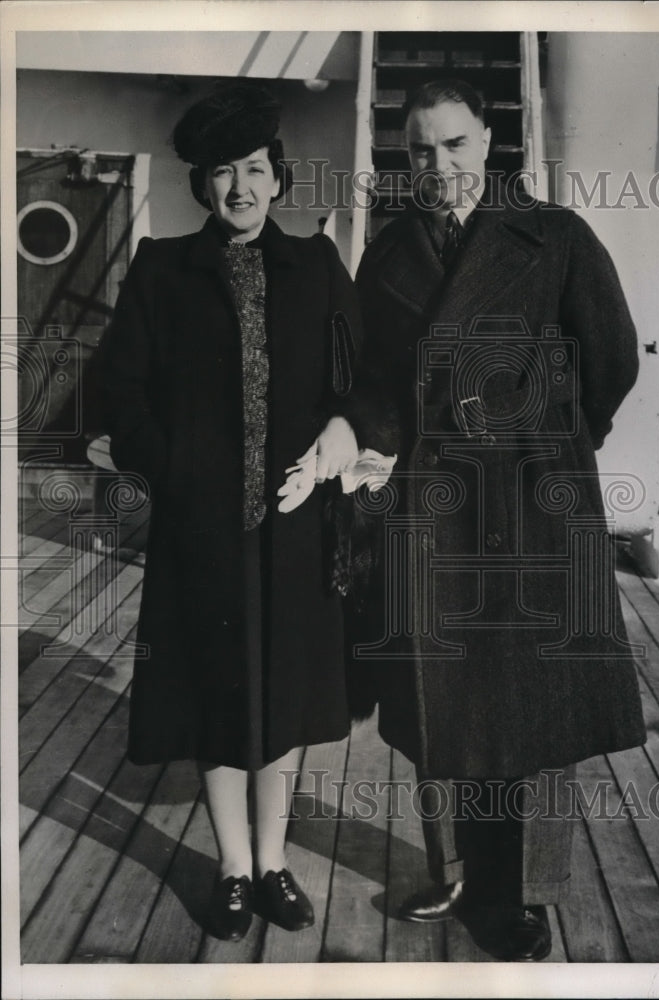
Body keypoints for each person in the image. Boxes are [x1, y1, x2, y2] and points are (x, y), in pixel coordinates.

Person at [346, 79, 647, 960]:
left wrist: (547, 445)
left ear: (491, 141)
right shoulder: (388, 251)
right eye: (422, 152)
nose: (440, 167)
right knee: (437, 706)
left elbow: (612, 357)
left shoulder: (554, 237)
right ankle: (458, 873)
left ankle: (518, 892)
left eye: (457, 145)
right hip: (432, 509)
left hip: (527, 504)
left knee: (525, 710)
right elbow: (373, 381)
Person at [101, 82, 360, 941]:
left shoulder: (318, 267)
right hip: (201, 532)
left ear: (279, 181)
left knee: (280, 697)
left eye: (255, 169)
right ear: (202, 188)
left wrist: (341, 424)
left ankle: (276, 859)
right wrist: (170, 468)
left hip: (293, 528)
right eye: (222, 173)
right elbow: (117, 387)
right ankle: (236, 871)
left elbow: (360, 378)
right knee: (219, 698)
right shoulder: (161, 268)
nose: (241, 188)